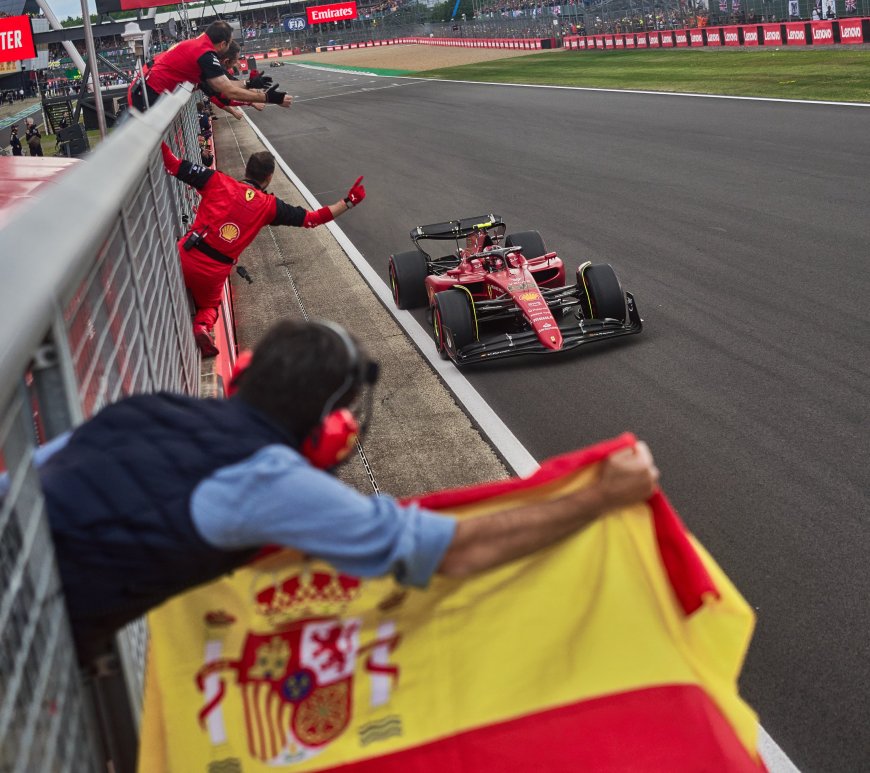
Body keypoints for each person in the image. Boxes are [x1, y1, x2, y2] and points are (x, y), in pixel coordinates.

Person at [26, 318, 660, 664]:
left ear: (244, 372)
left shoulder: (144, 407)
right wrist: (599, 497)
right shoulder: (270, 481)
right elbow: (453, 552)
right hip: (24, 635)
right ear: (330, 421)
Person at [161, 142, 366, 357]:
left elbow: (172, 164)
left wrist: (151, 132)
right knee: (210, 307)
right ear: (268, 178)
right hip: (213, 272)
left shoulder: (217, 180)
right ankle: (202, 326)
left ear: (247, 170)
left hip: (184, 255)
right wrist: (348, 202)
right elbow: (311, 219)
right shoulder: (269, 206)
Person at [128, 20, 291, 112]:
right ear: (223, 44)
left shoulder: (199, 45)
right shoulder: (205, 54)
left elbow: (223, 85)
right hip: (146, 94)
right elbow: (227, 91)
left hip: (145, 88)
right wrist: (268, 98)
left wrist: (249, 83)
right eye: (229, 43)